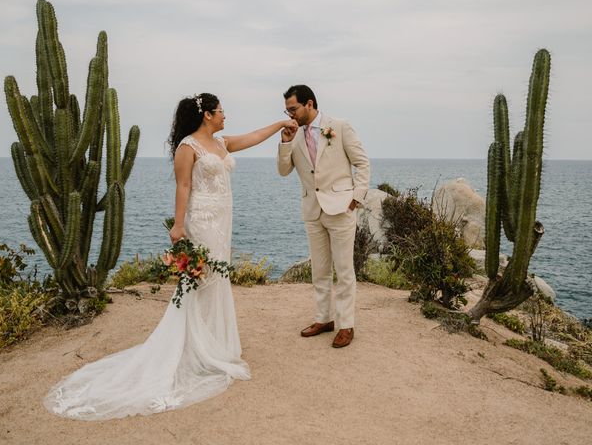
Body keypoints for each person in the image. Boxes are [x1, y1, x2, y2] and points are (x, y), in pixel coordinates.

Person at [44, 93, 297, 420]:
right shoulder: (188, 148)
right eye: (221, 111)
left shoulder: (220, 143)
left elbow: (251, 138)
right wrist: (179, 225)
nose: (225, 116)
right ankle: (196, 349)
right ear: (207, 115)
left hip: (222, 220)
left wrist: (279, 124)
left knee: (217, 279)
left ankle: (213, 345)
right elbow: (184, 186)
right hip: (201, 221)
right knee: (202, 281)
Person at [277, 85, 370, 348]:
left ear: (309, 104)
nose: (290, 114)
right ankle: (323, 318)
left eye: (293, 109)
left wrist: (356, 198)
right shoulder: (292, 135)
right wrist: (285, 142)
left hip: (341, 208)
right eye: (287, 110)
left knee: (343, 270)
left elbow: (362, 163)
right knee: (319, 270)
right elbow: (284, 170)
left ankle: (346, 324)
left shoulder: (339, 126)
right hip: (312, 210)